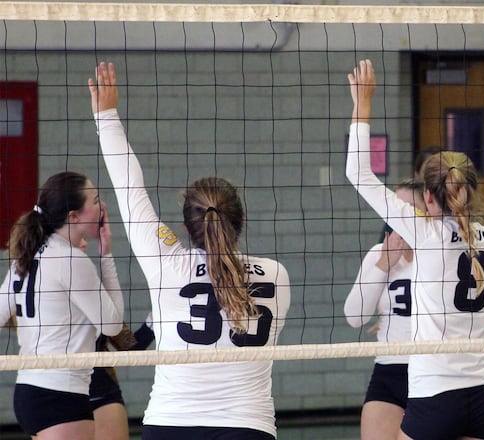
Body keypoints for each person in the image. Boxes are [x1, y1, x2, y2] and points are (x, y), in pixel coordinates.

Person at [89, 61, 291, 440]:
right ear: (240, 221)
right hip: (246, 428)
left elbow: (130, 190)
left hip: (171, 425)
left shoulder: (168, 265)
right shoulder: (276, 274)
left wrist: (106, 115)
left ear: (186, 227)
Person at [346, 59, 484, 440]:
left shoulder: (426, 235)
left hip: (436, 393)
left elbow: (358, 175)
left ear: (429, 201)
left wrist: (363, 104)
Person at [0, 172, 125, 439]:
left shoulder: (27, 253)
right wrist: (106, 254)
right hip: (61, 393)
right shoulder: (71, 260)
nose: (102, 206)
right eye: (95, 200)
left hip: (28, 391)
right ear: (74, 217)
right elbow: (112, 324)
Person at [344, 178, 425, 440]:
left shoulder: (439, 254)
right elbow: (354, 317)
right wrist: (384, 265)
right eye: (395, 205)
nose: (400, 213)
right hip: (388, 370)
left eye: (409, 207)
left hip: (431, 371)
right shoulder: (379, 252)